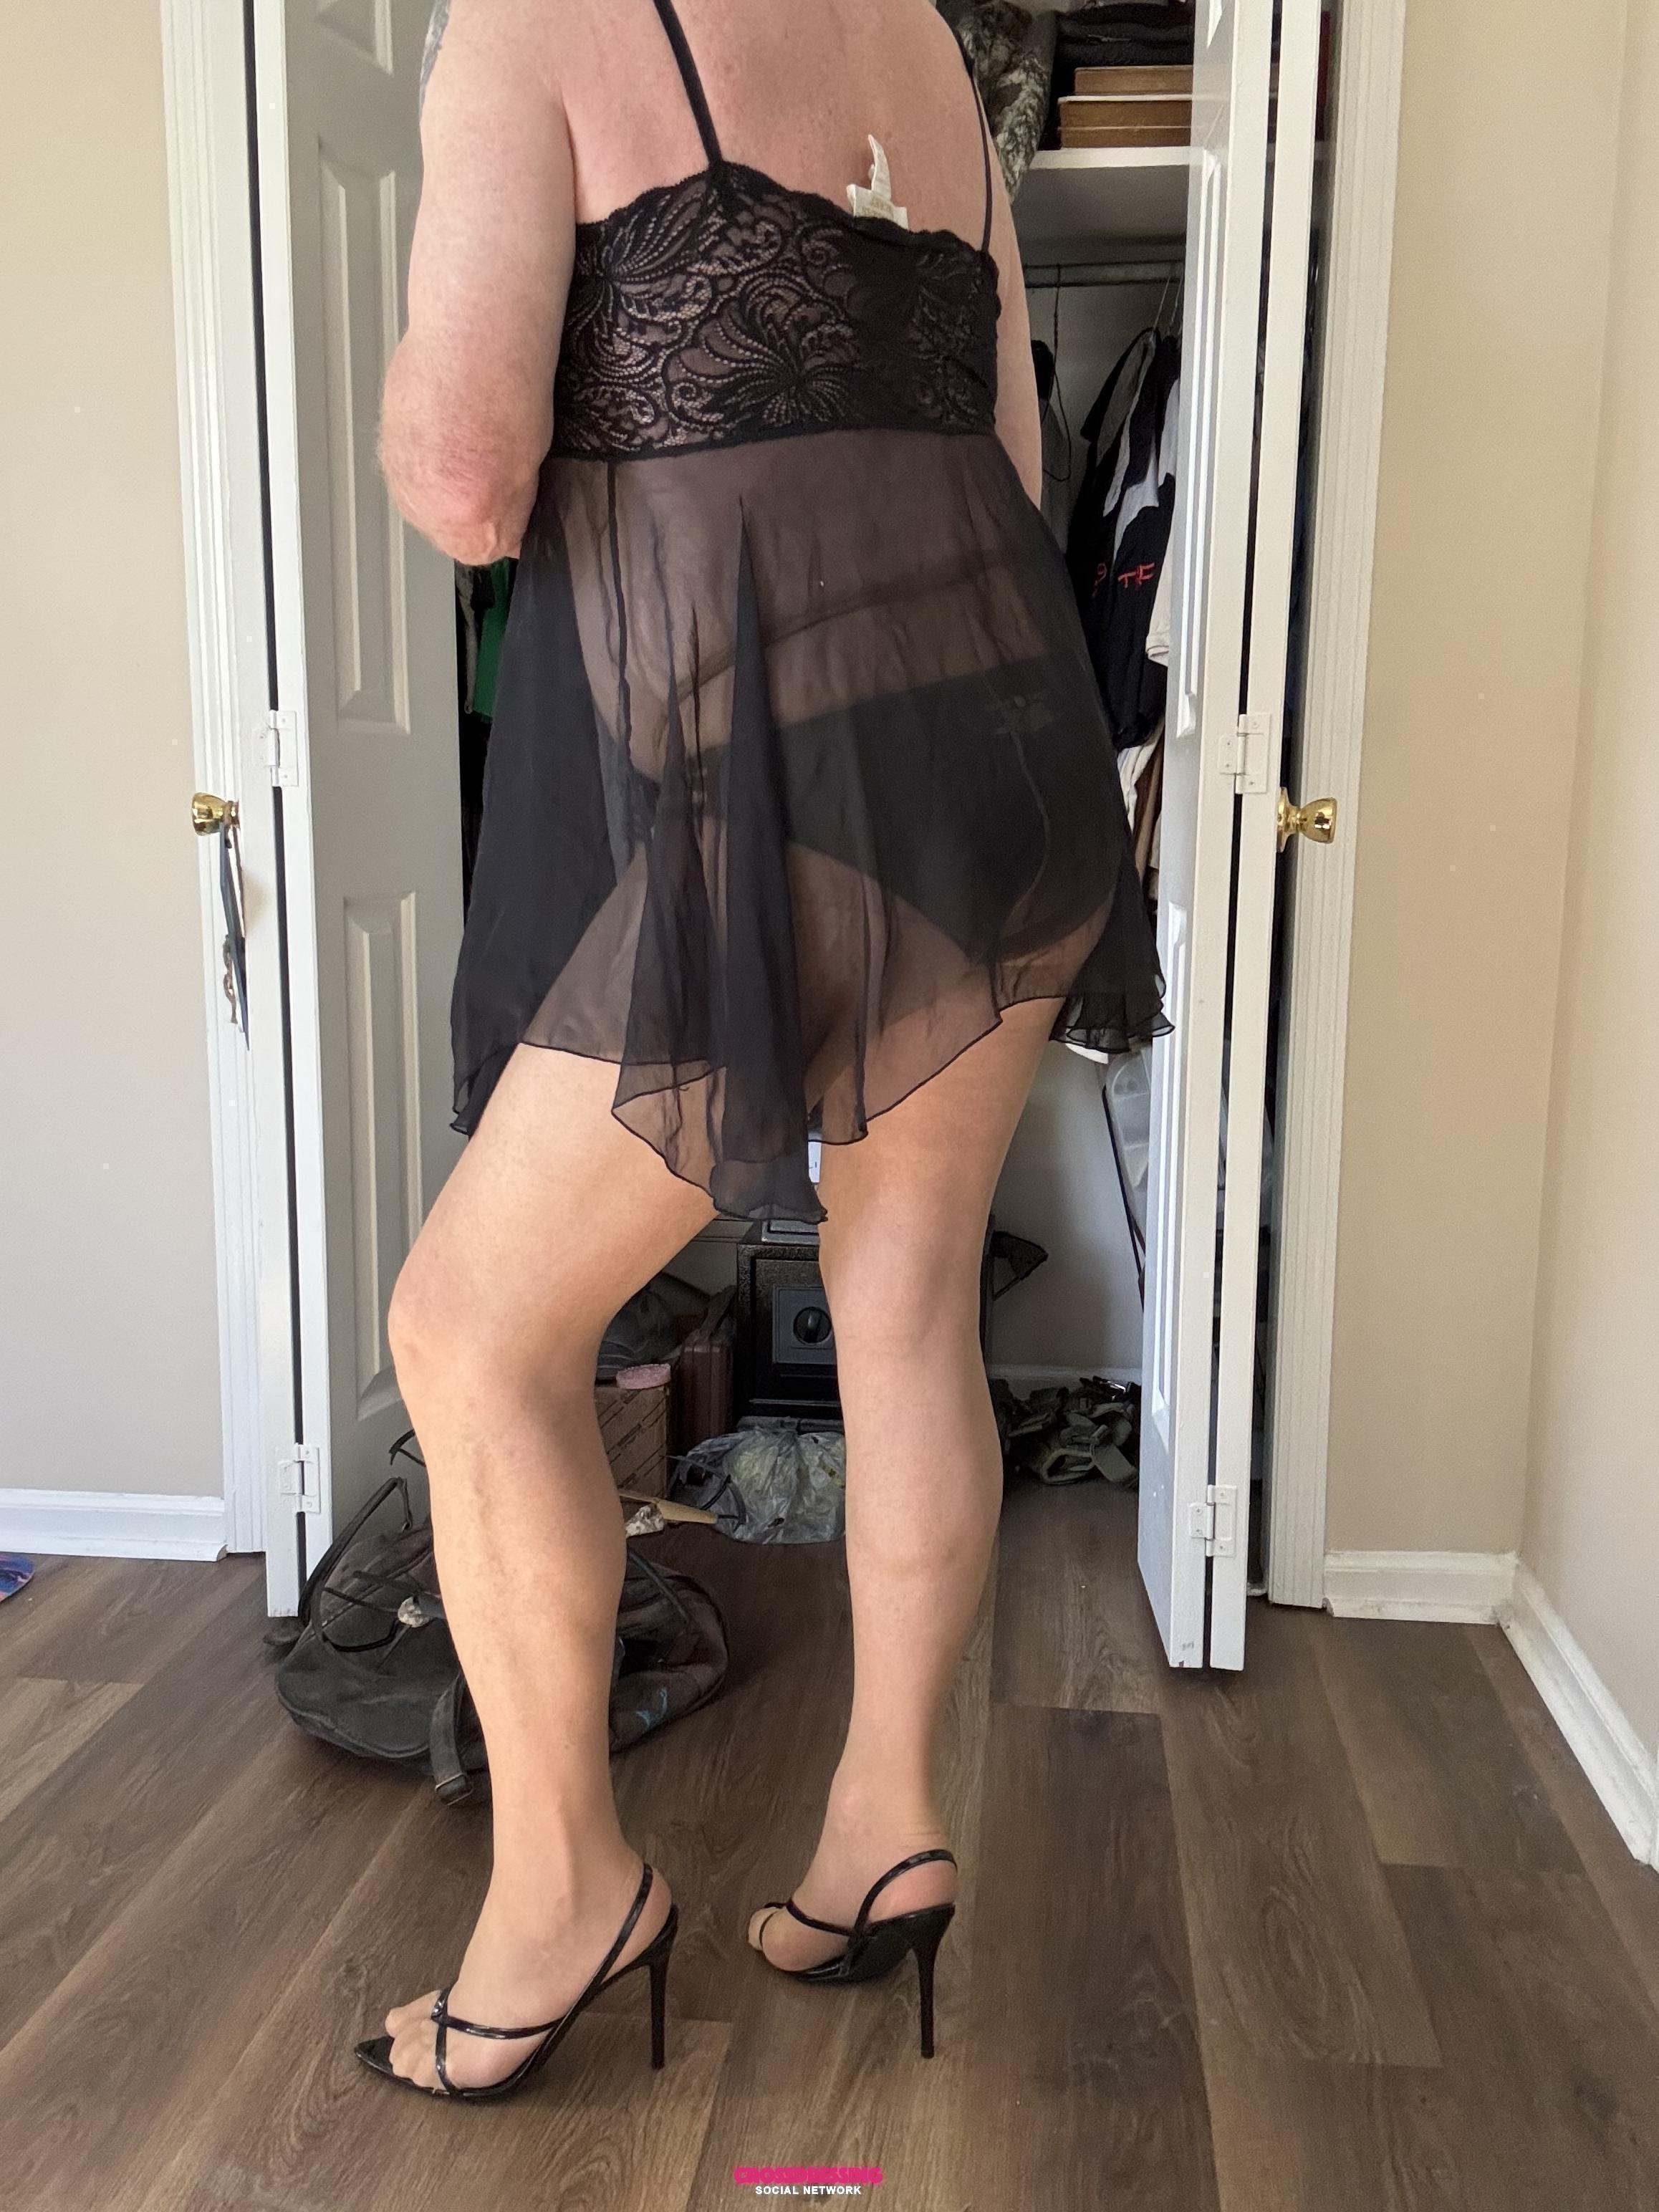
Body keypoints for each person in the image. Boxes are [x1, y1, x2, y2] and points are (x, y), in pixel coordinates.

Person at [360, 0, 1165, 2100]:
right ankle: (883, 1833)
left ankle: (564, 1900)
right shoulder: (924, 42)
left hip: (787, 782)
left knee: (469, 1334)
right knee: (904, 1305)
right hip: (1004, 755)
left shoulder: (529, 22)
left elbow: (463, 485)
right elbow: (1012, 460)